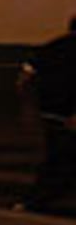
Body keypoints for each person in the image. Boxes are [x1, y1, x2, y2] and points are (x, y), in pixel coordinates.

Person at [14, 16, 76, 213]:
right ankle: (37, 199)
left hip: (49, 112)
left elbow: (23, 78)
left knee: (56, 156)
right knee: (61, 159)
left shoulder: (52, 46)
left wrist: (29, 107)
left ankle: (34, 200)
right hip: (69, 114)